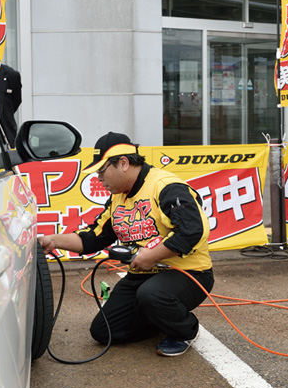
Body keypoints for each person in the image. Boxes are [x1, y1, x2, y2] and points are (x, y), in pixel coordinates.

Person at [39, 132, 213, 357]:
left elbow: (193, 231)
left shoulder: (167, 187)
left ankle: (185, 330)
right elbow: (94, 238)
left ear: (123, 163)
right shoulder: (118, 197)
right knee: (103, 332)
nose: (99, 179)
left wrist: (151, 256)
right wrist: (53, 240)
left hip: (188, 274)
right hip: (143, 275)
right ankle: (161, 319)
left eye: (101, 171)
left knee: (152, 295)